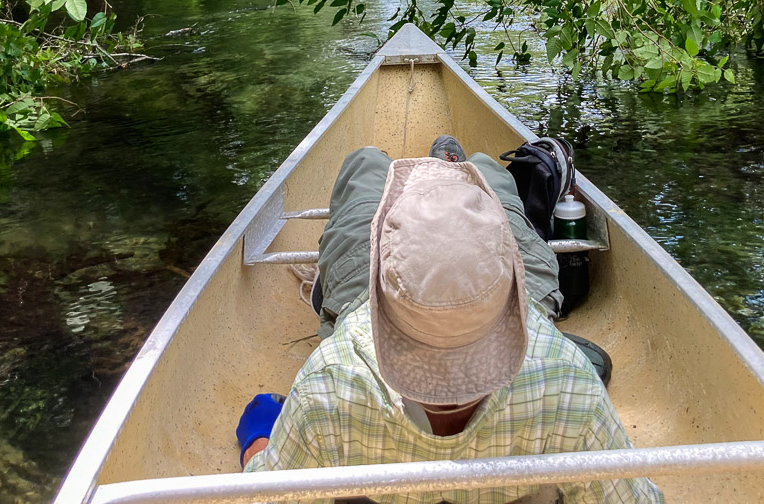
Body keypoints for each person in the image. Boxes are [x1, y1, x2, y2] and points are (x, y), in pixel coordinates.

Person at [236, 136, 665, 504]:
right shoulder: (567, 379)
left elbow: (265, 495)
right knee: (489, 172)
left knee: (364, 162)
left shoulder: (326, 386)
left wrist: (260, 441)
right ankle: (455, 170)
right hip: (496, 288)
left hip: (360, 294)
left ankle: (440, 177)